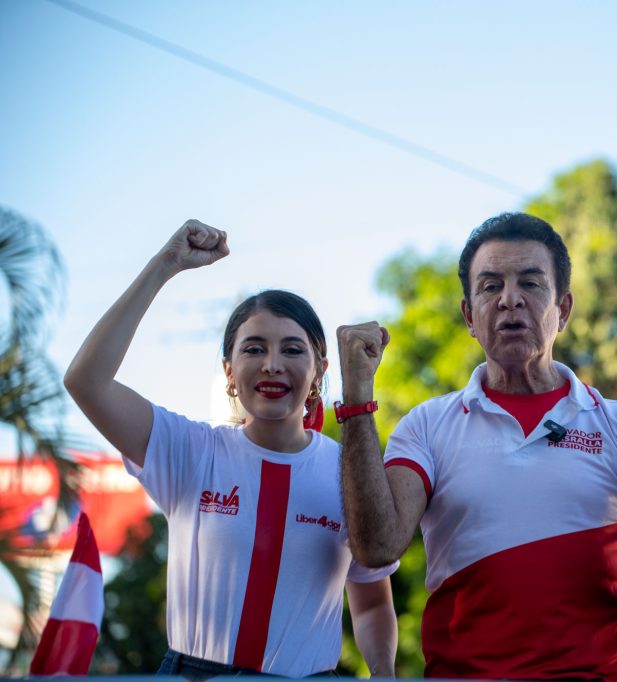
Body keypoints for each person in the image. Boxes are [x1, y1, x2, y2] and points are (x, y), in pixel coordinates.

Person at [335, 211, 617, 680]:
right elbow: (378, 547)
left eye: (530, 283)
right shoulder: (427, 426)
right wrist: (357, 401)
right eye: (489, 286)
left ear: (562, 310)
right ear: (468, 315)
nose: (509, 300)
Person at [63, 220, 398, 678]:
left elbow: (372, 602)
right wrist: (165, 266)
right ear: (228, 369)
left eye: (293, 351)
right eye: (254, 349)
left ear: (320, 371)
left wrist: (384, 673)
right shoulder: (189, 450)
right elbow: (86, 381)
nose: (273, 365)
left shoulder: (348, 472)